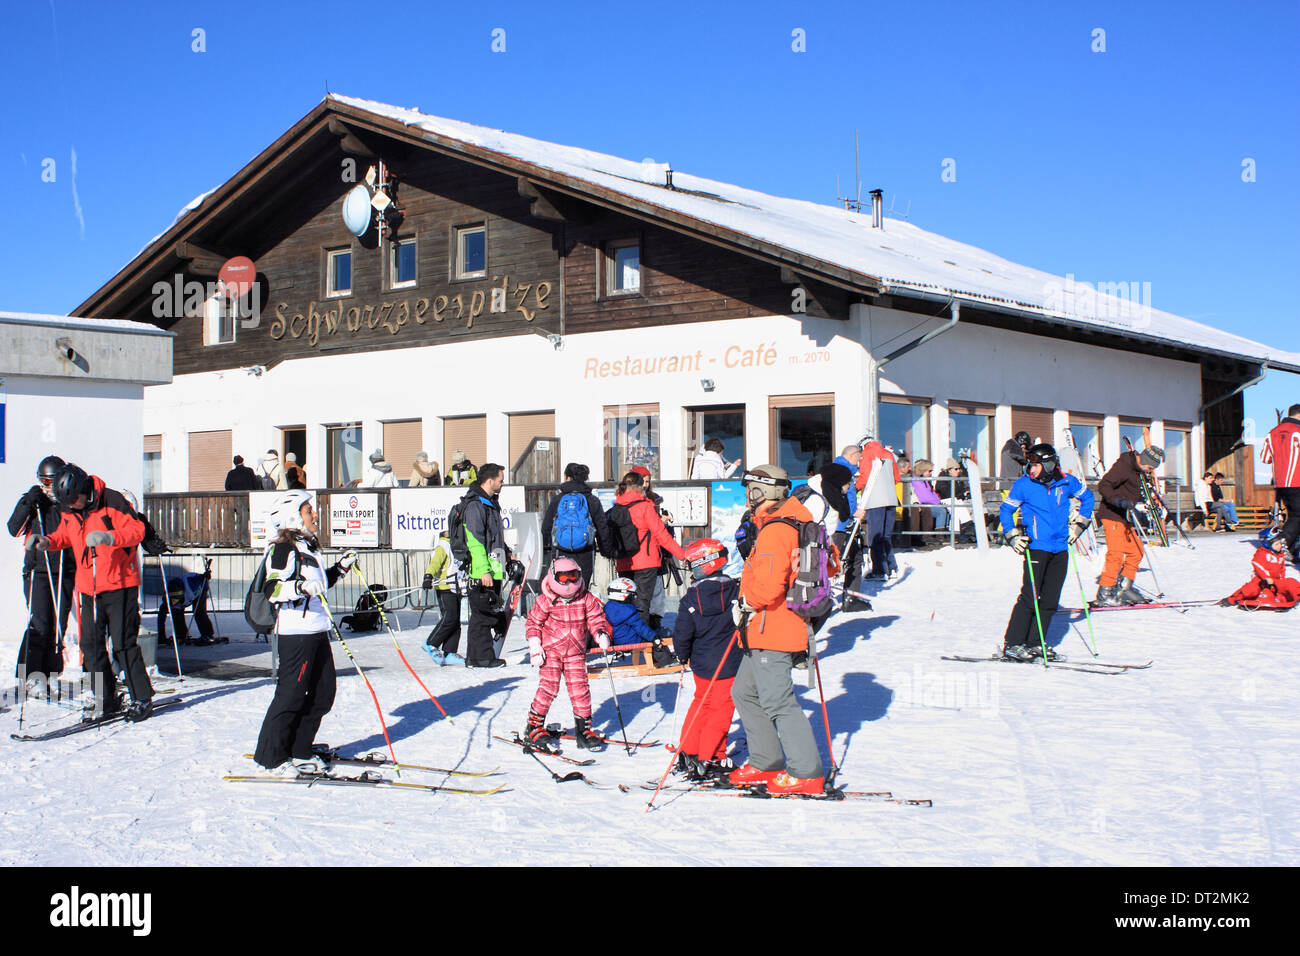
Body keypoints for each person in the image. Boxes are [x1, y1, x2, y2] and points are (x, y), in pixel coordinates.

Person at [727, 465, 827, 796]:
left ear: (763, 493)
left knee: (778, 700)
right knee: (745, 691)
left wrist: (745, 604)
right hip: (763, 628)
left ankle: (805, 771)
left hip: (774, 627)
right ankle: (766, 760)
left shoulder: (775, 530)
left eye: (750, 489)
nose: (746, 496)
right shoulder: (794, 522)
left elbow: (768, 587)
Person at [28, 463, 154, 720]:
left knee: (122, 644)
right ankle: (105, 700)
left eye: (75, 499)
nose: (72, 504)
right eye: (68, 502)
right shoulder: (69, 508)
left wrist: (109, 538)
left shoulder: (112, 500)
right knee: (91, 645)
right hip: (90, 586)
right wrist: (46, 542)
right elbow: (65, 535)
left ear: (84, 488)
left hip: (121, 584)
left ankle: (142, 697)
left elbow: (137, 530)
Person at [251, 491, 358, 774]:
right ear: (292, 516)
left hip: (317, 629)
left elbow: (319, 585)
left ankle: (299, 748)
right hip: (295, 633)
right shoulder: (283, 548)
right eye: (308, 510)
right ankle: (271, 757)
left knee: (324, 693)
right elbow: (272, 588)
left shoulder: (308, 547)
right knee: (291, 695)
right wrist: (299, 588)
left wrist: (341, 568)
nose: (314, 514)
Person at [999, 444, 1094, 660]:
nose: (1030, 469)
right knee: (1030, 597)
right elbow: (1006, 510)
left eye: (1034, 465)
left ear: (1049, 464)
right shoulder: (1024, 485)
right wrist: (1012, 535)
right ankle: (1012, 643)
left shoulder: (1067, 481)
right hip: (1036, 548)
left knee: (1050, 599)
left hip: (1061, 548)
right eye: (1029, 465)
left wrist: (1080, 524)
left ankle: (1035, 643)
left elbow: (1087, 498)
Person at [522, 557, 611, 750]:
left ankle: (584, 730)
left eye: (573, 577)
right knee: (549, 688)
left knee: (580, 690)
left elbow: (596, 617)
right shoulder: (546, 599)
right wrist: (535, 645)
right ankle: (534, 726)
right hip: (551, 651)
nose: (570, 583)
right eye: (564, 578)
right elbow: (533, 623)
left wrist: (600, 632)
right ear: (555, 578)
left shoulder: (585, 597)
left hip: (575, 653)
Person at [673, 538, 742, 780]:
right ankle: (712, 756)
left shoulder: (691, 599)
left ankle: (689, 750)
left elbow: (682, 632)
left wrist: (682, 654)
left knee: (702, 702)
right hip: (728, 661)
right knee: (721, 709)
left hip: (702, 663)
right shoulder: (735, 590)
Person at [7, 455, 75, 696]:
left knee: (59, 625)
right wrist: (28, 502)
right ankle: (31, 676)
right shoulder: (35, 502)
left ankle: (52, 673)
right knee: (40, 623)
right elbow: (13, 528)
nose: (48, 488)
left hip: (65, 570)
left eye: (51, 482)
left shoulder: (69, 502)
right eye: (44, 482)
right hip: (38, 571)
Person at [610, 470, 686, 628]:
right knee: (642, 604)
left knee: (625, 601)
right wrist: (681, 554)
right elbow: (661, 535)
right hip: (646, 562)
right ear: (640, 488)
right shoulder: (645, 507)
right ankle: (640, 644)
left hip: (624, 561)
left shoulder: (616, 507)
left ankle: (626, 640)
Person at [1094, 445, 1164, 606]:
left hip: (1124, 517)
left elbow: (1131, 490)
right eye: (1150, 467)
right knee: (1116, 555)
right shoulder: (1124, 466)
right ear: (1145, 461)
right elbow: (1104, 485)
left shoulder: (1137, 470)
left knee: (1136, 550)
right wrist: (1118, 500)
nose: (1149, 471)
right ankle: (1105, 592)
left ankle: (1124, 588)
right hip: (1112, 515)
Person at [462, 463, 513, 667]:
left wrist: (508, 554)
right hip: (483, 570)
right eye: (501, 479)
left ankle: (475, 657)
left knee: (485, 612)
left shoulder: (490, 503)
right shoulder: (476, 505)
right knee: (483, 615)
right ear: (490, 480)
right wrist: (483, 571)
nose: (503, 483)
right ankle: (482, 657)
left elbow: (494, 537)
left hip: (494, 566)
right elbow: (475, 540)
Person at [541, 462, 616, 588]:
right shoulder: (592, 500)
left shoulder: (558, 499)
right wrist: (607, 551)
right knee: (581, 589)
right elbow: (603, 529)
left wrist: (545, 548)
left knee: (562, 588)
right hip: (585, 553)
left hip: (561, 551)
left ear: (567, 477)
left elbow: (546, 527)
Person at [851, 434, 901, 579]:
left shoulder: (867, 454)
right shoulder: (888, 454)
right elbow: (897, 478)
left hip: (875, 500)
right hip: (891, 499)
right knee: (886, 535)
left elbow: (865, 476)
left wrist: (854, 488)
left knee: (875, 536)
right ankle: (891, 567)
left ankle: (879, 570)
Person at [1219, 528, 1299, 609]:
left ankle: (1297, 596)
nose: (1280, 546)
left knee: (1291, 582)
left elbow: (1282, 570)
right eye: (1277, 544)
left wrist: (1282, 581)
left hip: (1275, 582)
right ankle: (1233, 599)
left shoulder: (1280, 556)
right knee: (1251, 589)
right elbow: (1257, 565)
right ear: (1267, 544)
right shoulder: (1262, 553)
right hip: (1260, 581)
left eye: (1280, 544)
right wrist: (1266, 578)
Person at [831, 444, 868, 611]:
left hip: (842, 524)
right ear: (852, 456)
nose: (859, 463)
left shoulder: (839, 470)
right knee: (838, 561)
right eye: (859, 459)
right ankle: (849, 598)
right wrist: (854, 513)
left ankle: (851, 598)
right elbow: (839, 498)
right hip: (839, 526)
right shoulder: (841, 472)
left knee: (854, 557)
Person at [422, 529, 467, 665]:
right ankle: (431, 643)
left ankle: (450, 652)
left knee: (455, 621)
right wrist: (428, 575)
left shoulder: (456, 546)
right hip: (444, 587)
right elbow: (435, 563)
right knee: (449, 617)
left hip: (455, 586)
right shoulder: (444, 546)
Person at [1261, 405, 1300, 563]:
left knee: (1293, 517)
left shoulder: (1272, 432)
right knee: (1298, 516)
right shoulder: (1297, 431)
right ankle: (1277, 544)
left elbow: (1265, 458)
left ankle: (1291, 549)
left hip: (1280, 483)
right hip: (1297, 480)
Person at [602, 577, 658, 649]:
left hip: (615, 642)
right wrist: (653, 636)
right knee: (656, 645)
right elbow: (640, 627)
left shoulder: (607, 607)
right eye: (632, 595)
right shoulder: (628, 611)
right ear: (624, 594)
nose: (633, 598)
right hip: (631, 642)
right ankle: (665, 658)